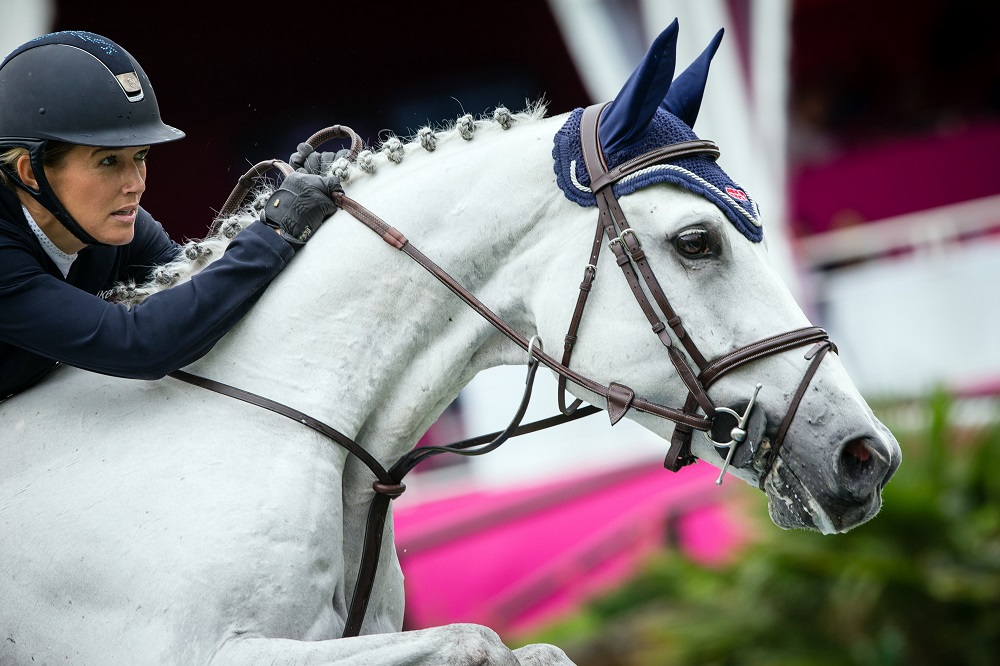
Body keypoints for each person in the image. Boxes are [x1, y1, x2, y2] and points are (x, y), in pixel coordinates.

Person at [0, 30, 339, 400]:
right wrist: (275, 231)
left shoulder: (109, 225)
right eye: (109, 160)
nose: (136, 184)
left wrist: (286, 208)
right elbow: (141, 345)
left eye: (140, 157)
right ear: (29, 172)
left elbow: (201, 299)